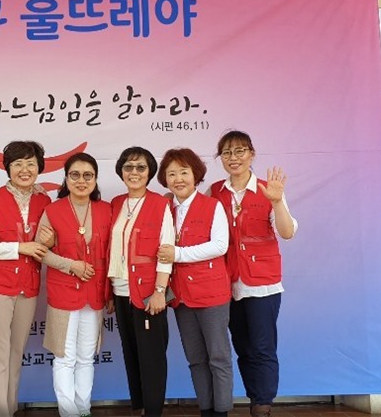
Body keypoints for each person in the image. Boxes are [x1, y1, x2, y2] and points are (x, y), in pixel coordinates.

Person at [208, 131, 296, 417]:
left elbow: (287, 232)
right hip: (227, 282)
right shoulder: (215, 192)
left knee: (262, 346)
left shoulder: (268, 189)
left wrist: (277, 201)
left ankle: (262, 404)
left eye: (240, 151)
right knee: (243, 346)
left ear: (251, 154)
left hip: (262, 283)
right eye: (227, 153)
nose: (233, 158)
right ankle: (253, 397)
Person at [0, 140, 51, 417]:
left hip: (28, 286)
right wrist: (18, 247)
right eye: (17, 164)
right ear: (8, 168)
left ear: (39, 167)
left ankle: (10, 408)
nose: (24, 170)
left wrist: (48, 242)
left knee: (16, 353)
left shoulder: (44, 201)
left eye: (30, 163)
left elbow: (46, 243)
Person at [156, 148, 232, 417]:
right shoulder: (165, 208)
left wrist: (179, 254)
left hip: (211, 294)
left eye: (184, 172)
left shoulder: (213, 205)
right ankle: (206, 410)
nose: (178, 179)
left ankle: (222, 411)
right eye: (172, 174)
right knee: (195, 359)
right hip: (182, 296)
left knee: (219, 357)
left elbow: (220, 246)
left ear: (195, 174)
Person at [37, 153, 111, 417]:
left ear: (95, 179)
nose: (81, 181)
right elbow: (40, 251)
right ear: (66, 179)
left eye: (87, 175)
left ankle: (83, 409)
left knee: (86, 357)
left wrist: (110, 292)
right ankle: (68, 412)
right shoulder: (52, 210)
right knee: (64, 357)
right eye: (75, 175)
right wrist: (71, 265)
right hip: (63, 293)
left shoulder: (106, 210)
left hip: (95, 293)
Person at [108, 146, 174, 417]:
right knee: (131, 352)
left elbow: (166, 249)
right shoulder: (115, 203)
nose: (134, 172)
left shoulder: (160, 204)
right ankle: (139, 408)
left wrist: (160, 290)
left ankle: (153, 411)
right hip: (119, 291)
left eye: (141, 167)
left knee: (152, 357)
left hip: (148, 293)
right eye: (128, 167)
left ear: (149, 172)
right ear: (121, 171)